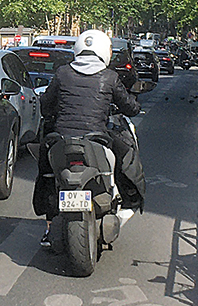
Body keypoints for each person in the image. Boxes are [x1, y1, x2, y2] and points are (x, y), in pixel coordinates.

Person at [33, 29, 144, 246]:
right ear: (104, 51)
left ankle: (49, 225)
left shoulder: (62, 73)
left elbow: (46, 105)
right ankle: (127, 199)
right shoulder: (109, 77)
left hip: (61, 141)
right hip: (97, 141)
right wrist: (135, 101)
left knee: (47, 174)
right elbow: (130, 108)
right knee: (125, 159)